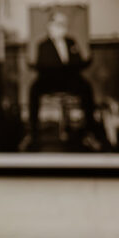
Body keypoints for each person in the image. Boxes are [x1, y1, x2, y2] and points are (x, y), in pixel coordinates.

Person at [27, 10, 99, 145]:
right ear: (50, 26)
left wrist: (84, 62)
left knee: (86, 87)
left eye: (63, 24)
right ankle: (33, 132)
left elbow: (78, 62)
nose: (61, 27)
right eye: (58, 24)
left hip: (70, 79)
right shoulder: (42, 45)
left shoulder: (71, 42)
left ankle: (90, 130)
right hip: (49, 80)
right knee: (34, 89)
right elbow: (42, 66)